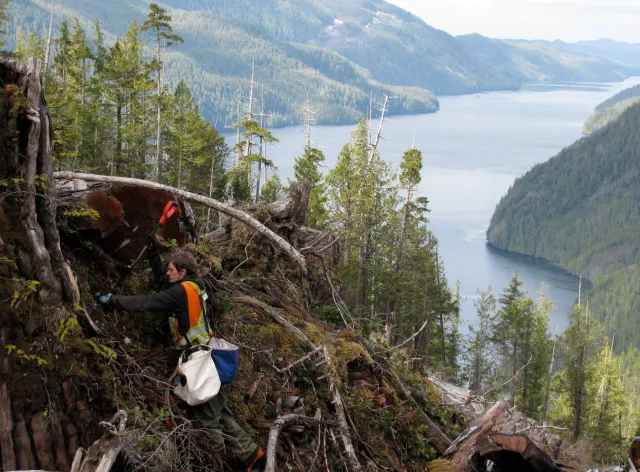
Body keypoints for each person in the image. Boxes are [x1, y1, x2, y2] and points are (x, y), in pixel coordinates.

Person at [98, 245, 265, 472]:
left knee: (208, 418)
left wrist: (114, 300)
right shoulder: (196, 286)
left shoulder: (180, 293)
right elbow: (164, 281)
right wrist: (152, 254)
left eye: (171, 269)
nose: (167, 273)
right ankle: (253, 456)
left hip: (200, 362)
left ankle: (215, 464)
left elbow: (147, 302)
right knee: (220, 413)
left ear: (182, 273)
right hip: (211, 357)